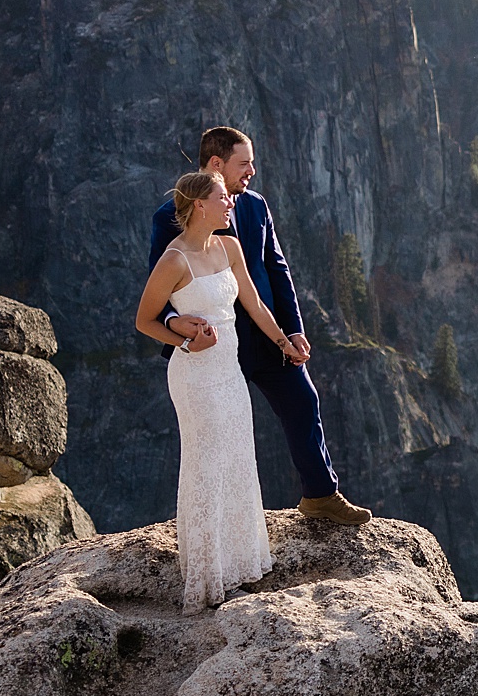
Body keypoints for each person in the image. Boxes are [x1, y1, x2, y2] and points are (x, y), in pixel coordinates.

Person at [149, 125, 372, 528]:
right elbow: (158, 282)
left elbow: (276, 269)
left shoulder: (255, 206)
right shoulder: (170, 217)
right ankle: (213, 527)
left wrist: (294, 329)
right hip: (212, 344)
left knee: (304, 402)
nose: (252, 170)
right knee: (217, 440)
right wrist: (175, 323)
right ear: (216, 164)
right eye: (244, 163)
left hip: (266, 335)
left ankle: (321, 495)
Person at [134, 170, 303, 610]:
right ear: (200, 206)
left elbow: (255, 304)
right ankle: (207, 574)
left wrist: (286, 343)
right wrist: (185, 338)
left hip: (229, 369)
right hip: (195, 375)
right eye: (224, 198)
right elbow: (144, 320)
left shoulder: (229, 246)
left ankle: (238, 564)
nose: (232, 204)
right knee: (206, 463)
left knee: (237, 457)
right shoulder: (174, 260)